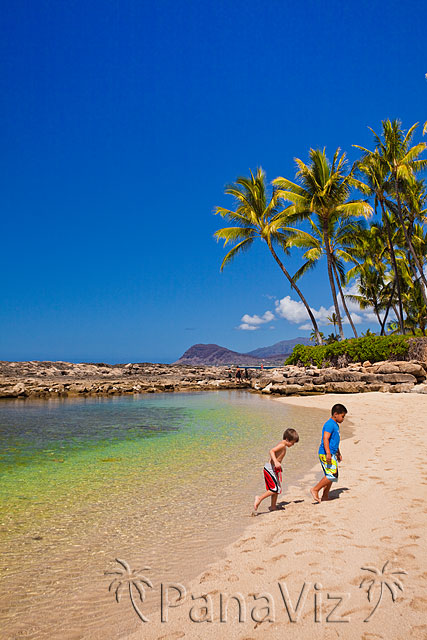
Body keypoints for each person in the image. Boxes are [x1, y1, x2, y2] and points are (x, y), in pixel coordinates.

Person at [253, 428, 300, 513]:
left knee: (277, 489)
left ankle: (273, 506)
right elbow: (271, 451)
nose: (293, 445)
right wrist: (275, 462)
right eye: (292, 442)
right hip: (270, 468)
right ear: (287, 439)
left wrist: (278, 465)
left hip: (274, 469)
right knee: (275, 489)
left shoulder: (283, 445)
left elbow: (278, 457)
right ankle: (259, 498)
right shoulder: (282, 445)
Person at [310, 403, 347, 503]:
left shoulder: (335, 425)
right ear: (336, 414)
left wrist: (338, 453)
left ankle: (325, 496)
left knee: (330, 475)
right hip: (325, 453)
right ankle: (315, 489)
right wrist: (328, 453)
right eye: (342, 416)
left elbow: (335, 441)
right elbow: (325, 438)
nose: (343, 419)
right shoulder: (329, 424)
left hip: (332, 453)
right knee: (332, 475)